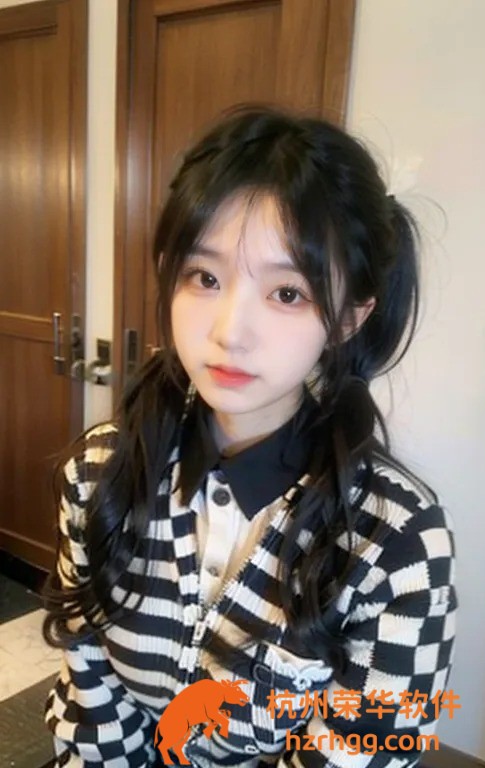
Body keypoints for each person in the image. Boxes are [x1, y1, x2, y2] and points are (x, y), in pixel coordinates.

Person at [43, 105, 457, 767]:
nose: (229, 331)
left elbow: (365, 749)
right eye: (204, 278)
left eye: (287, 293)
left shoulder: (396, 538)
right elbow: (90, 692)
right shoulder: (101, 473)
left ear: (348, 318)